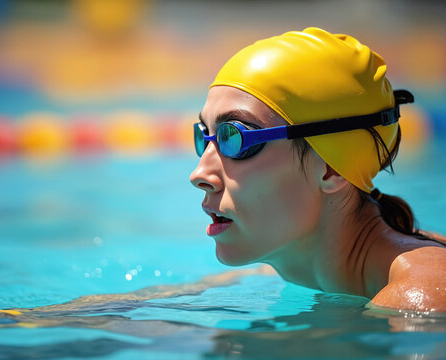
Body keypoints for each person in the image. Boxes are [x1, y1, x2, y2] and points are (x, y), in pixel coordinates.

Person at [189, 27, 446, 312]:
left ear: (332, 168)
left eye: (234, 137)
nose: (199, 174)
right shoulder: (290, 261)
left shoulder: (421, 299)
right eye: (204, 136)